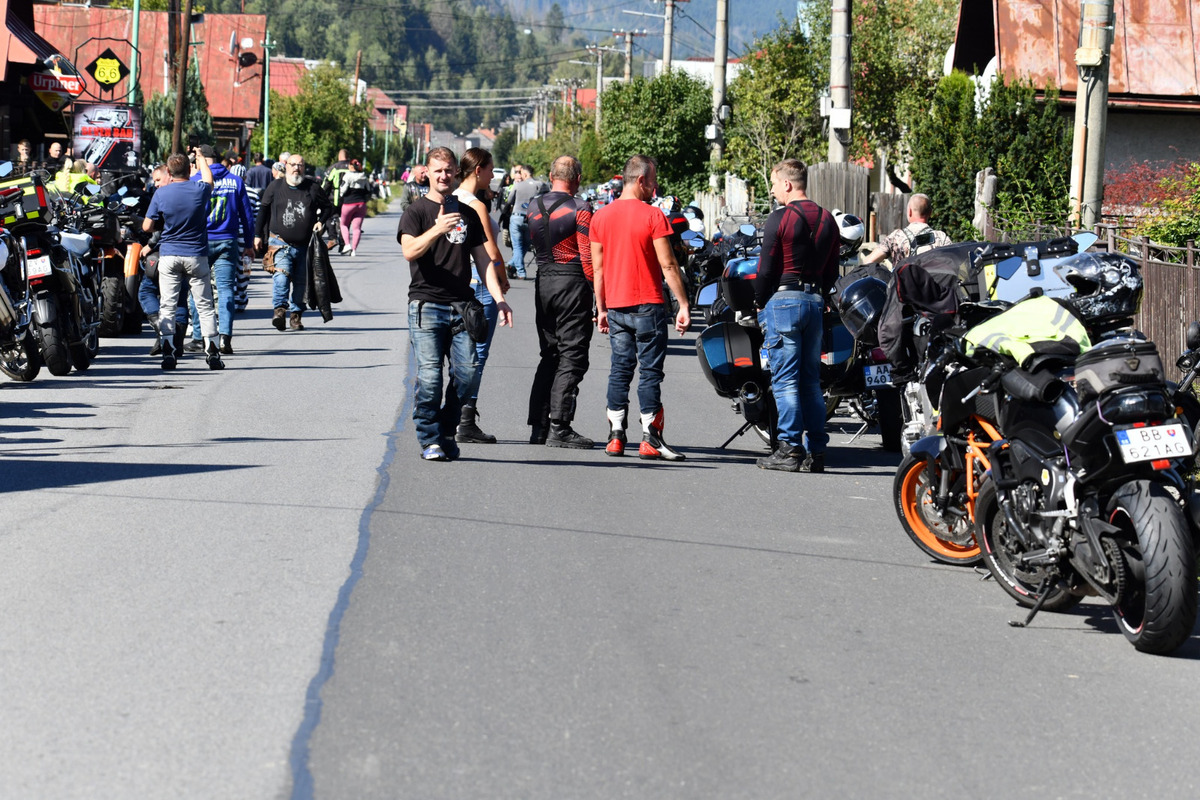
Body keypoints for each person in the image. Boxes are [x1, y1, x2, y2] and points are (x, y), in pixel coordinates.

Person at [398, 146, 512, 462]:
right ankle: (430, 439)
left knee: (467, 374)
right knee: (431, 377)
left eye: (449, 170)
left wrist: (500, 300)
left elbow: (483, 259)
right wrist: (437, 228)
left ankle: (447, 431)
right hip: (426, 305)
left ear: (455, 172)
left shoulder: (469, 213)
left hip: (462, 306)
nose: (444, 175)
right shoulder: (416, 211)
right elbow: (409, 251)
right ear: (428, 173)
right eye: (438, 170)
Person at [590, 154, 690, 461]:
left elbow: (599, 270)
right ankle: (650, 439)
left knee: (620, 370)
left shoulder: (600, 217)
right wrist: (683, 304)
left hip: (616, 307)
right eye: (654, 182)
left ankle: (616, 437)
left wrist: (601, 308)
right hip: (648, 305)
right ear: (641, 180)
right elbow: (669, 265)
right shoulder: (653, 216)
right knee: (649, 372)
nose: (656, 188)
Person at [752, 159, 840, 473]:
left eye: (775, 184)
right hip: (816, 301)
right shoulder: (829, 219)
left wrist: (760, 301)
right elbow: (832, 271)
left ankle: (789, 449)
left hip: (784, 301)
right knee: (811, 383)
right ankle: (816, 453)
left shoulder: (781, 218)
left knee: (785, 381)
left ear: (788, 184)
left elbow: (766, 270)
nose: (773, 190)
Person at [526, 155, 596, 448]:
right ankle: (560, 426)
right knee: (573, 354)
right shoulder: (580, 207)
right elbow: (587, 254)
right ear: (577, 178)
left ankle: (539, 427)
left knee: (550, 353)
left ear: (550, 174)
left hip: (543, 280)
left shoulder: (533, 205)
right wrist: (599, 293)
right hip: (571, 279)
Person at [141, 149, 224, 371]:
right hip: (196, 255)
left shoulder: (161, 194)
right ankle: (213, 352)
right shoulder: (199, 189)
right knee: (205, 305)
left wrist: (163, 223)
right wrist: (201, 159)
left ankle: (169, 351)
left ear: (168, 171)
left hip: (169, 255)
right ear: (189, 170)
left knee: (167, 304)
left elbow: (147, 226)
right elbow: (208, 178)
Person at [451, 147, 512, 445]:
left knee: (459, 354)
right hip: (480, 284)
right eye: (490, 169)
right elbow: (491, 251)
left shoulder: (451, 198)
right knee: (477, 356)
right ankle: (464, 419)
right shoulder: (475, 205)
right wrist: (501, 280)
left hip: (458, 283)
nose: (492, 175)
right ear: (478, 170)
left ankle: (454, 415)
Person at [254, 153, 334, 332]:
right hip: (280, 242)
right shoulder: (275, 186)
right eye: (293, 164)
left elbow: (329, 207)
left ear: (304, 168)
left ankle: (296, 316)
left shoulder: (312, 188)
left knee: (300, 283)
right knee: (281, 277)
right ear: (286, 166)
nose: (296, 168)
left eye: (300, 165)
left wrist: (321, 221)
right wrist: (257, 234)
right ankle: (280, 311)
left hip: (305, 245)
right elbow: (263, 210)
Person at [188, 144, 255, 354]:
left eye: (198, 159)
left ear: (205, 159)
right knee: (226, 289)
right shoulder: (235, 182)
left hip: (201, 242)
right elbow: (247, 216)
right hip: (228, 240)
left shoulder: (195, 180)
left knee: (198, 289)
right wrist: (250, 244)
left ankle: (199, 337)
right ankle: (225, 337)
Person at [861, 193, 952, 266]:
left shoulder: (896, 236)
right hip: (933, 288)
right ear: (930, 213)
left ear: (909, 211)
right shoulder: (941, 237)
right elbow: (953, 263)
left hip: (902, 288)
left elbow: (869, 262)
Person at [505, 165, 544, 280]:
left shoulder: (517, 185)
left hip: (516, 217)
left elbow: (509, 201)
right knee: (526, 245)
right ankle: (513, 264)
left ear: (525, 174)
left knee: (517, 246)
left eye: (521, 173)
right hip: (531, 219)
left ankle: (520, 271)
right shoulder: (539, 185)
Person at [338, 159, 370, 257]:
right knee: (357, 228)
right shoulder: (364, 176)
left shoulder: (347, 176)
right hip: (361, 204)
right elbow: (368, 189)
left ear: (351, 166)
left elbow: (342, 190)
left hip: (348, 204)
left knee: (343, 224)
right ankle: (354, 250)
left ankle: (347, 245)